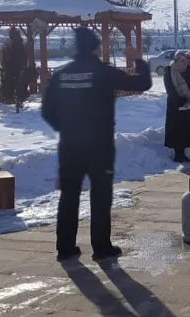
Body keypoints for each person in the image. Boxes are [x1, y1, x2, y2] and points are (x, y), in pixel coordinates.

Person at [41, 27, 152, 262]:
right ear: (94, 47)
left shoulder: (61, 75)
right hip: (99, 146)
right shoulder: (102, 72)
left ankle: (65, 248)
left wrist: (66, 128)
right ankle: (101, 248)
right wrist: (138, 61)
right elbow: (142, 84)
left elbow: (47, 111)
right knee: (100, 196)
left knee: (69, 196)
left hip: (70, 146)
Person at [163, 52, 190, 163]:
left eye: (184, 59)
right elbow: (169, 88)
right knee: (177, 130)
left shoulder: (188, 70)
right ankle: (178, 155)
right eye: (179, 59)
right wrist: (179, 100)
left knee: (187, 130)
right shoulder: (169, 71)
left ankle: (184, 153)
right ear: (175, 60)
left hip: (189, 106)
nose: (182, 62)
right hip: (176, 106)